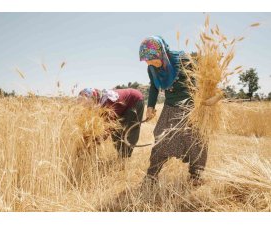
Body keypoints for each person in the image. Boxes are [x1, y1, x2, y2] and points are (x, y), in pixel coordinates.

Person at [139, 36, 220, 187]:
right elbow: (154, 87)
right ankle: (152, 175)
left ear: (161, 52)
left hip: (191, 108)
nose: (149, 63)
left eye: (152, 59)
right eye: (146, 61)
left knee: (195, 140)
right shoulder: (151, 68)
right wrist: (150, 106)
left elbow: (204, 75)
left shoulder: (182, 59)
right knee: (161, 137)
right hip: (169, 107)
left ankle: (196, 175)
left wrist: (210, 96)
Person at [79, 88, 145, 158]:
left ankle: (125, 157)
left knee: (129, 132)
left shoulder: (108, 103)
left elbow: (108, 128)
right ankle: (121, 155)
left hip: (134, 101)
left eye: (86, 104)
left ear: (93, 98)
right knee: (116, 134)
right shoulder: (98, 102)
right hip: (122, 106)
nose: (86, 107)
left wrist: (93, 143)